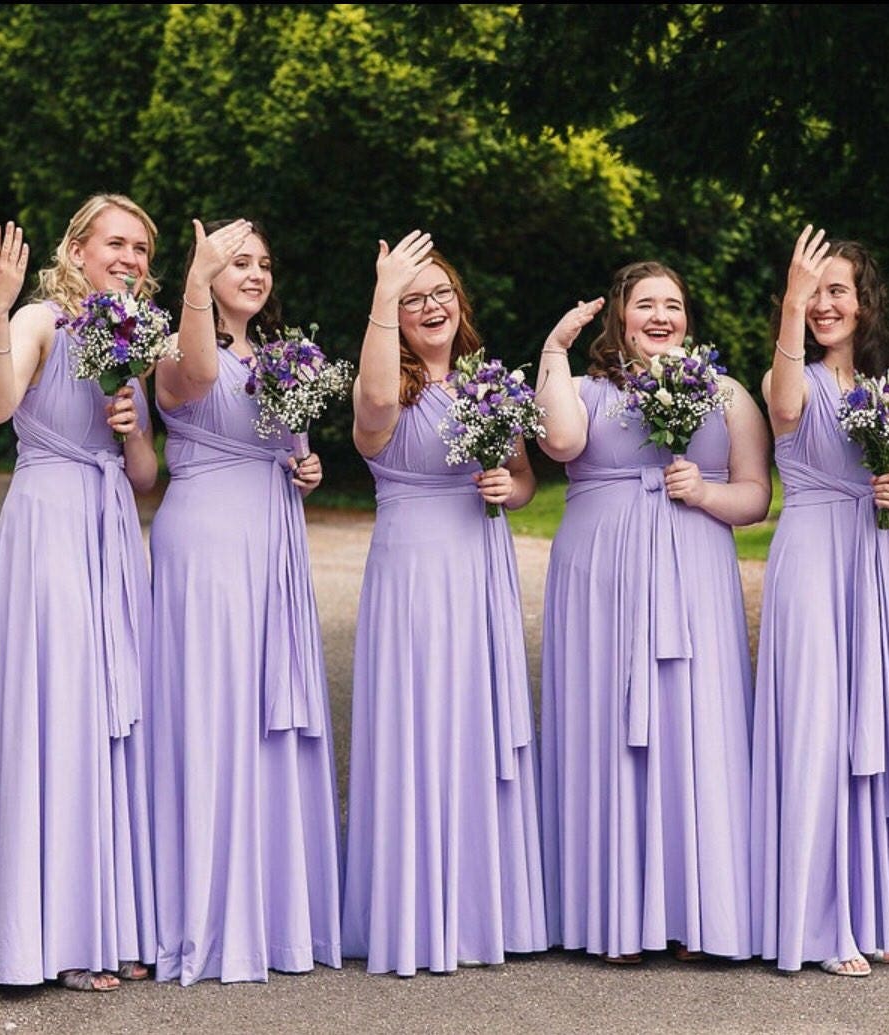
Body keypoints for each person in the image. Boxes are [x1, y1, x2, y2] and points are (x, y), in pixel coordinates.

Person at [534, 261, 772, 964]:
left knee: (694, 724)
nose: (661, 317)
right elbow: (562, 443)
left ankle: (701, 913)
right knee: (607, 726)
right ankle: (614, 916)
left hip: (693, 571)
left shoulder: (724, 391)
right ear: (619, 316)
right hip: (600, 578)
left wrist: (703, 492)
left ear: (688, 318)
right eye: (646, 305)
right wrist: (553, 350)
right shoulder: (582, 388)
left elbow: (756, 496)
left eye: (673, 304)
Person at [341, 230, 547, 976]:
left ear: (460, 303)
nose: (429, 306)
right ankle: (412, 910)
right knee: (418, 722)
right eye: (411, 298)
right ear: (391, 314)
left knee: (472, 721)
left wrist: (508, 487)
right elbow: (367, 405)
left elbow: (524, 476)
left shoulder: (488, 382)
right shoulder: (390, 389)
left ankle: (479, 908)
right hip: (414, 571)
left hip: (480, 566)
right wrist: (380, 288)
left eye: (439, 293)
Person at [0, 194, 160, 992]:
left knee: (112, 722)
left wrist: (130, 428)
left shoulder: (131, 342)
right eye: (116, 242)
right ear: (78, 248)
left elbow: (147, 478)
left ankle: (106, 921)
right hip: (50, 523)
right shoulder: (42, 321)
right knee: (60, 712)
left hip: (111, 523)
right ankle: (48, 936)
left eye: (143, 249)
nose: (131, 257)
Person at [148, 217, 341, 985]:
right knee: (215, 708)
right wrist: (196, 275)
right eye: (239, 261)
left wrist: (304, 464)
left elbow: (286, 442)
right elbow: (195, 380)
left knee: (268, 714)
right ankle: (205, 914)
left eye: (263, 262)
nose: (255, 273)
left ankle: (273, 913)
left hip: (273, 539)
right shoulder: (176, 344)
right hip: (209, 540)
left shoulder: (281, 355)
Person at [749, 227, 889, 977]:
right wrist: (791, 302)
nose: (824, 304)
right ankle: (818, 921)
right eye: (812, 291)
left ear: (864, 302)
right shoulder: (786, 375)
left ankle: (871, 908)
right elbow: (786, 410)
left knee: (870, 728)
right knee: (817, 726)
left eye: (836, 291)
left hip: (873, 559)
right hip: (813, 555)